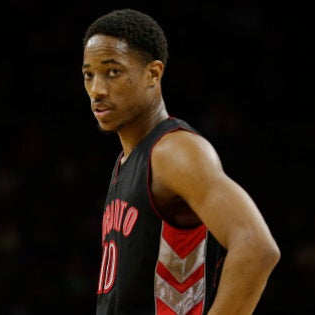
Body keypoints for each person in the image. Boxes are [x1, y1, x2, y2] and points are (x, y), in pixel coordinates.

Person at [81, 8, 281, 315]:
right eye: (89, 75)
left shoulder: (174, 151)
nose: (97, 89)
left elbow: (257, 247)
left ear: (153, 74)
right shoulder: (129, 159)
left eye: (113, 72)